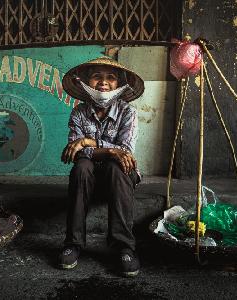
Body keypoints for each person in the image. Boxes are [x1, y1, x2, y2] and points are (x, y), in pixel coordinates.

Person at [59, 56, 145, 277]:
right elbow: (75, 152)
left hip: (118, 176)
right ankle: (73, 243)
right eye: (97, 77)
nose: (104, 83)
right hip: (88, 176)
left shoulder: (128, 112)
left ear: (119, 84)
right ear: (87, 82)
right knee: (82, 167)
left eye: (111, 78)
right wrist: (109, 150)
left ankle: (124, 246)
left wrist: (89, 142)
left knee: (118, 167)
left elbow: (124, 151)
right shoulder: (78, 112)